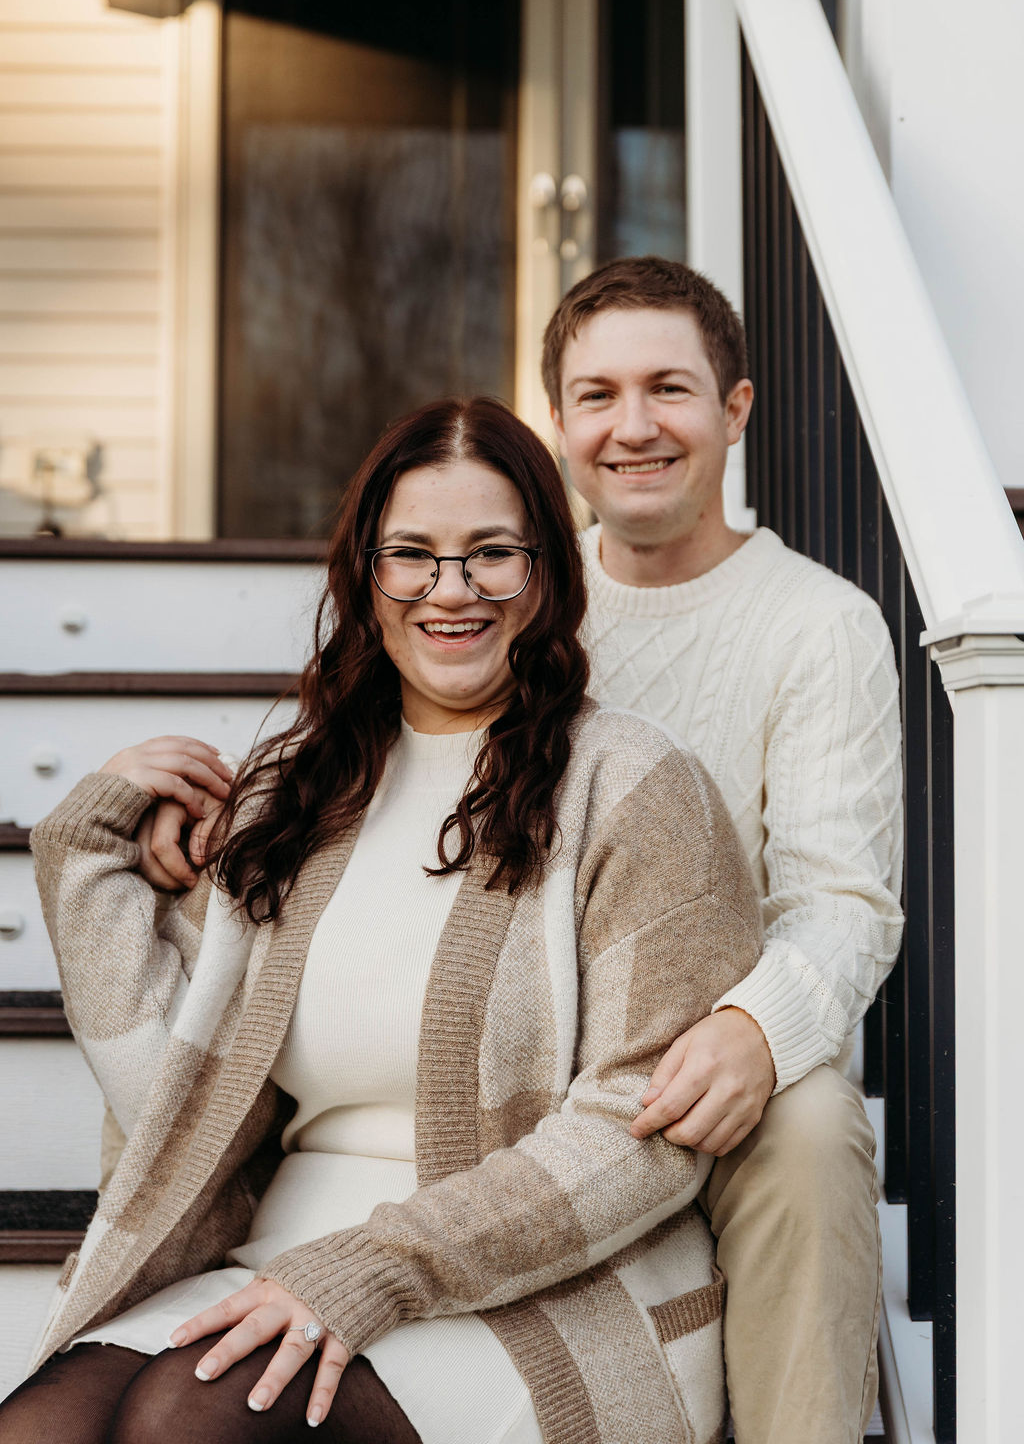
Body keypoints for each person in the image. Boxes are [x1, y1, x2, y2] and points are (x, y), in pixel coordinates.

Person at [3, 396, 763, 1444]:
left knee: (192, 1421)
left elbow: (642, 1134)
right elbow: (175, 1107)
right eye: (411, 555)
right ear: (364, 575)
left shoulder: (634, 786)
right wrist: (82, 854)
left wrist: (375, 1268)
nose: (451, 591)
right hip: (274, 1264)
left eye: (492, 554)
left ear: (547, 572)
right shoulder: (293, 793)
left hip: (548, 1296)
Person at [543, 257, 903, 1444]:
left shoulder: (821, 625)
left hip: (710, 1060)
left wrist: (755, 1029)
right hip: (538, 1039)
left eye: (669, 389)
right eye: (597, 395)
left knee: (814, 1130)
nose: (632, 426)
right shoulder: (514, 600)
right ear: (560, 421)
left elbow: (843, 901)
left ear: (734, 409)